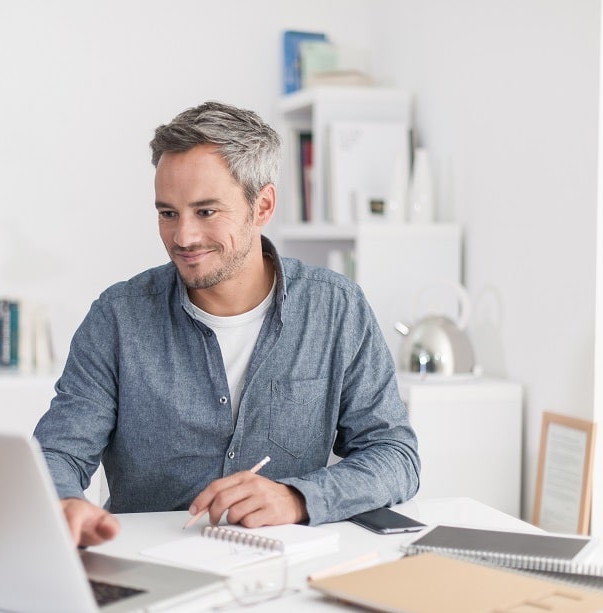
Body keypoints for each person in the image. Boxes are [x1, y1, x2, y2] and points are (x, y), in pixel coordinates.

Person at [33, 101, 420, 547]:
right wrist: (63, 501)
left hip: (282, 570)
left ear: (263, 206)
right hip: (154, 571)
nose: (183, 237)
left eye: (206, 211)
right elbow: (57, 451)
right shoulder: (118, 317)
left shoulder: (336, 309)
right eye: (167, 213)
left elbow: (395, 456)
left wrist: (298, 497)